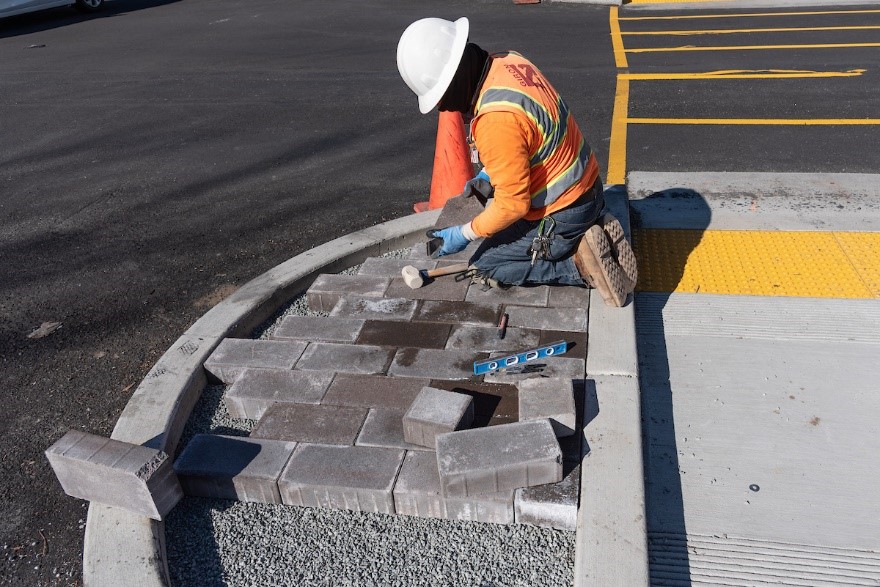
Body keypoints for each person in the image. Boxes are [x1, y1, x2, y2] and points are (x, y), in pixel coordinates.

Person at [396, 16, 637, 307]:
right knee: (499, 224)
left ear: (452, 83)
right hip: (588, 186)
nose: (443, 109)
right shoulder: (508, 62)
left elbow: (513, 205)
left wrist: (463, 233)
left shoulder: (494, 121)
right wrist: (489, 174)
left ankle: (580, 266)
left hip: (564, 211)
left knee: (486, 263)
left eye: (440, 101)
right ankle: (591, 228)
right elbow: (529, 134)